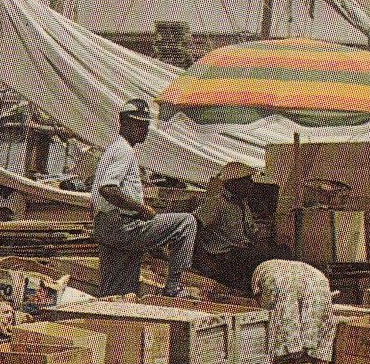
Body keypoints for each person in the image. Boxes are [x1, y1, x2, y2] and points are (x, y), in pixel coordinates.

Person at [91, 99, 197, 298]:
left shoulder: (113, 149)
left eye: (146, 125)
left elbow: (99, 192)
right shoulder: (124, 150)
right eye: (138, 124)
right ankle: (174, 287)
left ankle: (110, 321)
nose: (144, 129)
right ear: (123, 123)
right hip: (121, 225)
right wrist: (141, 209)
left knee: (118, 291)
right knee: (186, 222)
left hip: (107, 223)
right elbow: (107, 189)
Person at [194, 162, 289, 291]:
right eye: (247, 181)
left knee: (282, 252)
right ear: (233, 183)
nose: (251, 184)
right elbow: (194, 226)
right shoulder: (216, 203)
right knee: (259, 259)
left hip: (241, 251)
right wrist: (203, 258)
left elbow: (252, 232)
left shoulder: (242, 204)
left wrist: (262, 241)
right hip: (224, 255)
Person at [252, 259, 336, 364]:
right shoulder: (315, 274)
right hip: (318, 283)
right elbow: (324, 329)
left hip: (278, 279)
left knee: (273, 326)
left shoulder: (261, 271)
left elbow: (261, 307)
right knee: (324, 328)